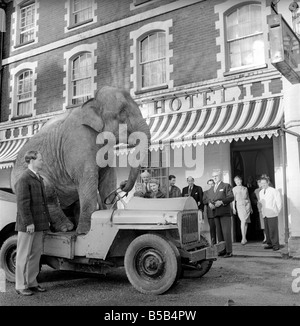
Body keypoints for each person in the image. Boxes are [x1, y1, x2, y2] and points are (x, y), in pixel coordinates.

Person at [14, 150, 51, 296]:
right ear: (31, 160)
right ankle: (20, 285)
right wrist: (29, 222)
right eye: (40, 159)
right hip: (27, 225)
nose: (42, 161)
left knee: (35, 254)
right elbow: (22, 204)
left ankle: (31, 282)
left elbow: (43, 203)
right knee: (23, 255)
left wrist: (47, 220)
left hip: (38, 224)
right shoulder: (24, 178)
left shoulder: (38, 178)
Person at [210, 171, 234, 258]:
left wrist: (222, 202)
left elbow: (231, 197)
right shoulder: (213, 188)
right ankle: (222, 250)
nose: (215, 177)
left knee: (226, 232)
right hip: (216, 212)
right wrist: (210, 204)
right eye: (213, 176)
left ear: (220, 176)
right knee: (219, 233)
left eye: (216, 176)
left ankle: (229, 251)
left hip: (224, 212)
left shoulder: (226, 185)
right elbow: (211, 198)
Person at [258, 175, 282, 251]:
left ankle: (276, 245)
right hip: (265, 214)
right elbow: (262, 203)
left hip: (272, 213)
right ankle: (270, 244)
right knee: (267, 230)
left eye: (264, 183)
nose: (263, 185)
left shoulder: (274, 190)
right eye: (262, 183)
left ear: (268, 182)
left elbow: (279, 203)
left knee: (273, 230)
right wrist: (262, 211)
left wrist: (276, 212)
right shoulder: (261, 192)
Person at [232, 175, 252, 245]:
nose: (237, 182)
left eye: (238, 180)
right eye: (235, 181)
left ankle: (245, 237)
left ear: (241, 180)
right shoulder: (234, 189)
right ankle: (243, 238)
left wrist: (251, 207)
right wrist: (233, 208)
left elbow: (248, 197)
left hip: (247, 205)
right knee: (243, 220)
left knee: (246, 221)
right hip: (240, 205)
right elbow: (233, 199)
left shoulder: (245, 188)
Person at [203, 179, 217, 245]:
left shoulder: (217, 191)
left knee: (220, 230)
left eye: (212, 184)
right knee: (212, 230)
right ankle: (213, 243)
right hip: (210, 214)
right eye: (209, 184)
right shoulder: (206, 192)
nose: (211, 185)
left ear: (214, 184)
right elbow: (204, 201)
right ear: (208, 185)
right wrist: (209, 202)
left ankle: (221, 243)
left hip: (218, 213)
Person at [253, 177, 267, 243]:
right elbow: (252, 199)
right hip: (260, 208)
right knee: (263, 224)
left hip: (267, 208)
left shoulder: (266, 189)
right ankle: (265, 237)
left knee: (267, 222)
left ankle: (268, 237)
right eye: (258, 183)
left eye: (260, 183)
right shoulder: (256, 191)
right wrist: (257, 201)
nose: (259, 184)